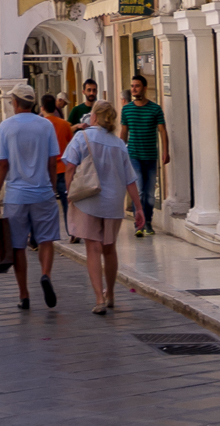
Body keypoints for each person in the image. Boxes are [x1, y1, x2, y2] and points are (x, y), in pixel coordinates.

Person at [63, 100, 144, 315]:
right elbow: (130, 179)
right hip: (113, 203)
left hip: (89, 199)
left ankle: (99, 298)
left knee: (93, 248)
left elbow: (69, 167)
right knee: (110, 248)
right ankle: (111, 295)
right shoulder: (119, 144)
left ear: (95, 116)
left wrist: (70, 191)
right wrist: (139, 208)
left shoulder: (82, 137)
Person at [0, 82, 60, 312]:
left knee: (18, 246)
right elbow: (53, 162)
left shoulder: (5, 127)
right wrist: (52, 188)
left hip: (16, 196)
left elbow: (3, 164)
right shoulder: (46, 126)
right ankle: (45, 275)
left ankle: (24, 295)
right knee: (46, 240)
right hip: (43, 192)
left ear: (16, 102)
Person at [121, 73, 169, 236]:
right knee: (140, 189)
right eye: (132, 86)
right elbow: (123, 132)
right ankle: (139, 224)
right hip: (133, 155)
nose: (134, 89)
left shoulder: (155, 109)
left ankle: (148, 221)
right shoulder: (127, 110)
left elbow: (162, 131)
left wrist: (166, 152)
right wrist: (121, 153)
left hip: (150, 156)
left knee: (149, 193)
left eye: (137, 86)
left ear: (145, 88)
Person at [40, 93, 74, 237]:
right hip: (62, 169)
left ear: (42, 108)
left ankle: (43, 233)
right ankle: (72, 231)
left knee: (43, 204)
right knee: (67, 202)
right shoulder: (64, 125)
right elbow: (72, 145)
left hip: (44, 171)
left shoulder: (39, 125)